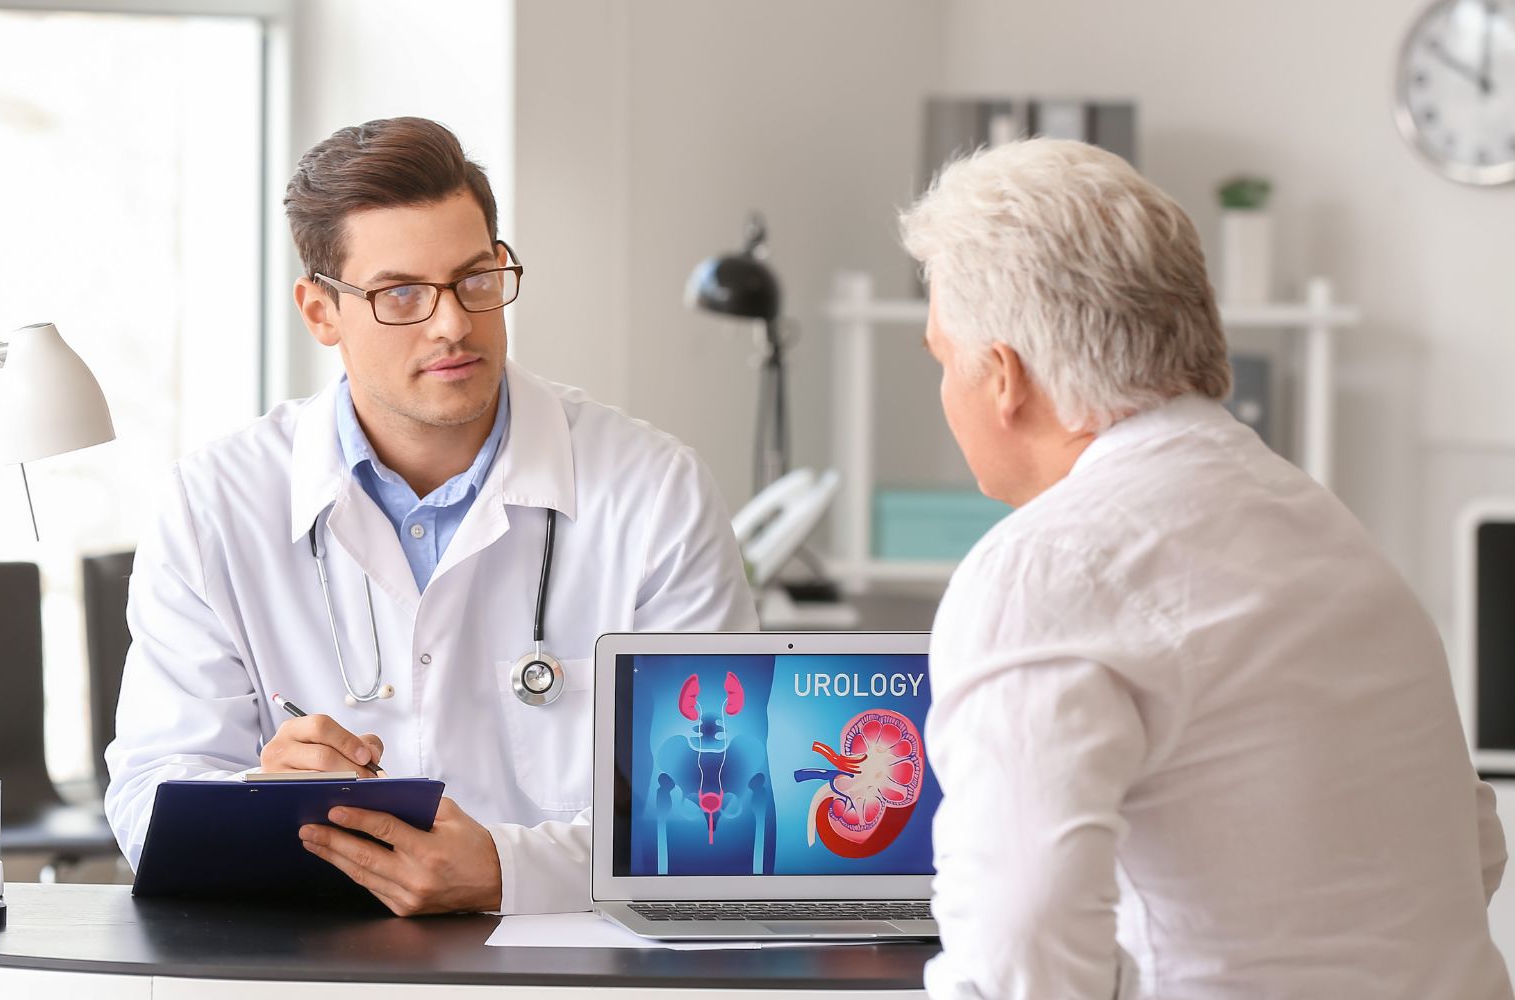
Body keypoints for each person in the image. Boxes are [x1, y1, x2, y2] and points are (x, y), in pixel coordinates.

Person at [899, 138, 1512, 999]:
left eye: (939, 358)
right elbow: (1472, 852)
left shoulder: (1042, 569)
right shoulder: (1322, 525)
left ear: (1004, 377)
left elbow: (1019, 953)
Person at [103, 117, 757, 917]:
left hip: (579, 972)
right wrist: (257, 797)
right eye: (400, 294)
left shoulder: (654, 491)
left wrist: (509, 871)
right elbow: (146, 803)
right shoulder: (214, 503)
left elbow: (716, 816)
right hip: (311, 963)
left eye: (475, 279)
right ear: (320, 313)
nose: (452, 322)